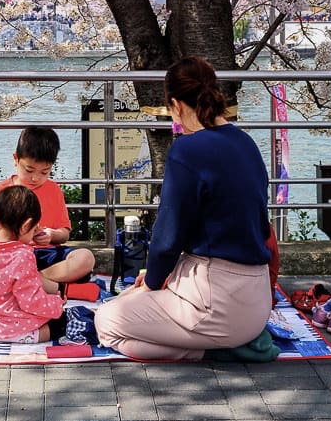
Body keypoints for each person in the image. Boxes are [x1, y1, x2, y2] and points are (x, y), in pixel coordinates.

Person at [94, 56, 275, 360]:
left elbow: (168, 236)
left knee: (108, 321)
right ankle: (225, 342)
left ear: (176, 105)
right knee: (143, 305)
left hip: (214, 303)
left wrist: (150, 283)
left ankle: (211, 352)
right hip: (257, 302)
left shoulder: (186, 150)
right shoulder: (246, 143)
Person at [0, 126, 95, 284]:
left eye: (44, 172)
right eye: (29, 170)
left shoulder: (53, 190)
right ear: (15, 159)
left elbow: (64, 234)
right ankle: (47, 284)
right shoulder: (1, 191)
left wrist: (51, 235)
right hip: (13, 255)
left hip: (46, 254)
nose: (35, 178)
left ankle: (36, 281)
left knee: (85, 258)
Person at [0, 185, 67, 342]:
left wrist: (29, 228)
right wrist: (56, 304)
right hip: (11, 328)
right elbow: (31, 302)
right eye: (33, 229)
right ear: (25, 226)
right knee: (61, 324)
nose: (34, 233)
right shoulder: (21, 256)